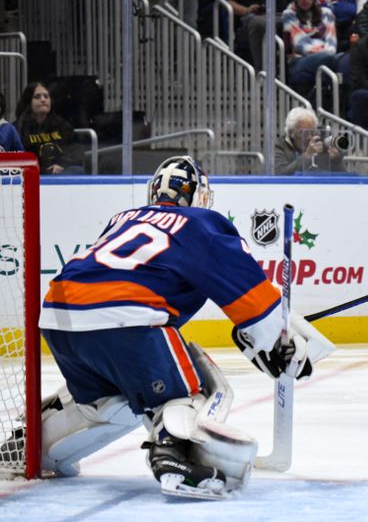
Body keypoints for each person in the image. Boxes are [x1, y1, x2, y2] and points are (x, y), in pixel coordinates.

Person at [27, 156, 333, 498]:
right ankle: (176, 455)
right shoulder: (202, 222)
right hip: (129, 318)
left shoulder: (123, 219)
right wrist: (280, 342)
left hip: (59, 319)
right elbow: (250, 294)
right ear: (200, 194)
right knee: (198, 385)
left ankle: (34, 444)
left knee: (109, 402)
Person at [14, 82, 82, 174]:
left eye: (46, 96)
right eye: (37, 97)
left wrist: (62, 165)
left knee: (76, 170)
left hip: (59, 173)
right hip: (29, 174)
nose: (43, 100)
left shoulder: (62, 125)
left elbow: (74, 151)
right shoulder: (18, 128)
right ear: (28, 102)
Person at [282, 0, 338, 98]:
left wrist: (327, 54)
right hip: (299, 60)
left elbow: (331, 41)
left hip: (327, 55)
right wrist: (325, 53)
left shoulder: (326, 13)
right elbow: (299, 43)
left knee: (344, 59)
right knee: (330, 59)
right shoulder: (288, 14)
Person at [274, 106, 346, 174]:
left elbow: (342, 178)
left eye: (312, 132)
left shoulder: (319, 144)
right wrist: (307, 156)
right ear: (291, 132)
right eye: (304, 133)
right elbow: (280, 174)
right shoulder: (278, 146)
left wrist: (336, 161)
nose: (309, 137)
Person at [225, 0, 268, 71]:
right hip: (247, 19)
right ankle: (260, 70)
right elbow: (229, 3)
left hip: (273, 16)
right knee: (257, 23)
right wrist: (247, 10)